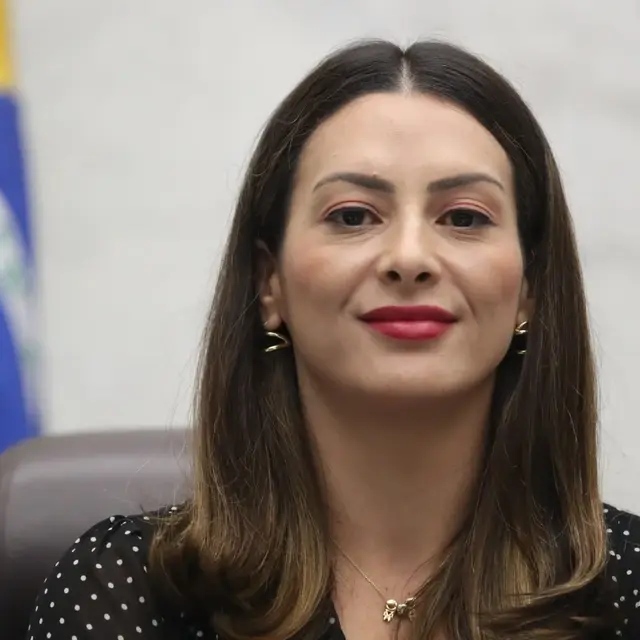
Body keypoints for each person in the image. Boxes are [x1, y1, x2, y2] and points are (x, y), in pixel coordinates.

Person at [27, 39, 640, 640]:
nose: (409, 258)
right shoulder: (126, 594)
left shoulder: (627, 589)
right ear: (269, 282)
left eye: (463, 217)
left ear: (529, 288)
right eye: (352, 216)